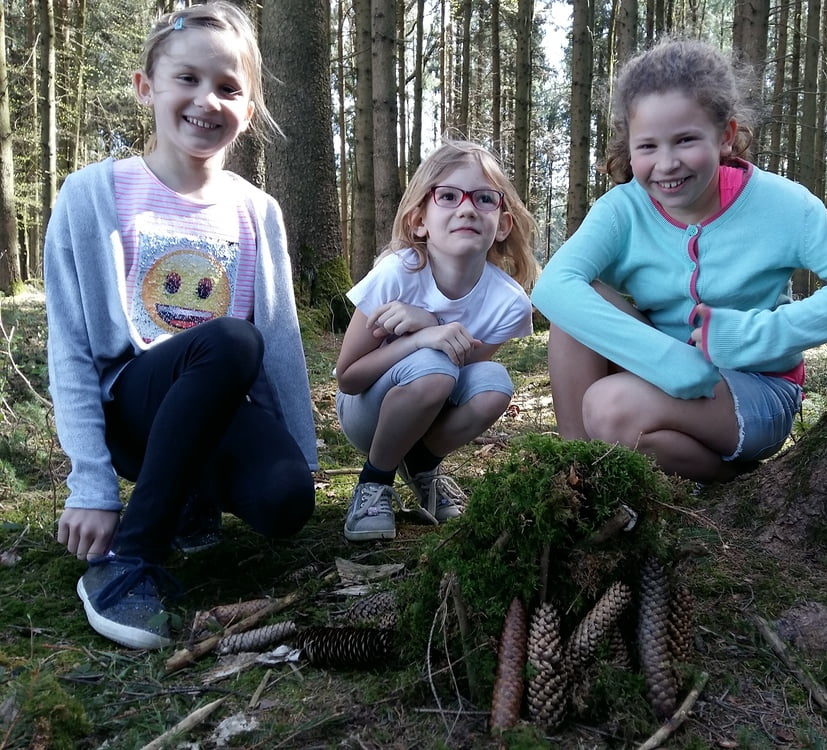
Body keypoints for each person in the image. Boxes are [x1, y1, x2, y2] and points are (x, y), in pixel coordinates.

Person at [44, 2, 317, 650]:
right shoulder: (92, 194)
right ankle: (128, 560)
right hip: (131, 408)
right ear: (147, 88)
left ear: (248, 108)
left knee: (284, 502)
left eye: (228, 87)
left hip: (217, 402)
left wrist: (302, 455)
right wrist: (91, 485)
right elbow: (71, 348)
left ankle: (193, 497)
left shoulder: (256, 210)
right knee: (229, 341)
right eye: (187, 79)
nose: (206, 100)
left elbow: (280, 339)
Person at [531, 37, 827, 484]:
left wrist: (755, 335)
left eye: (685, 140)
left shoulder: (780, 204)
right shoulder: (622, 210)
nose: (667, 163)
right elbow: (553, 287)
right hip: (660, 379)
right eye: (647, 146)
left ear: (725, 136)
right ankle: (576, 479)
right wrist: (667, 359)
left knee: (609, 409)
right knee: (575, 304)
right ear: (629, 147)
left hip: (758, 392)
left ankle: (735, 483)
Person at [335, 140, 538, 541]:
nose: (467, 208)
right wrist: (417, 339)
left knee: (495, 383)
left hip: (428, 412)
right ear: (419, 221)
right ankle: (374, 482)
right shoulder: (397, 274)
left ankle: (422, 467)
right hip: (366, 413)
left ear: (503, 225)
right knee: (434, 365)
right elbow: (348, 378)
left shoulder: (509, 302)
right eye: (448, 196)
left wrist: (430, 322)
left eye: (484, 198)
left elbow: (464, 369)